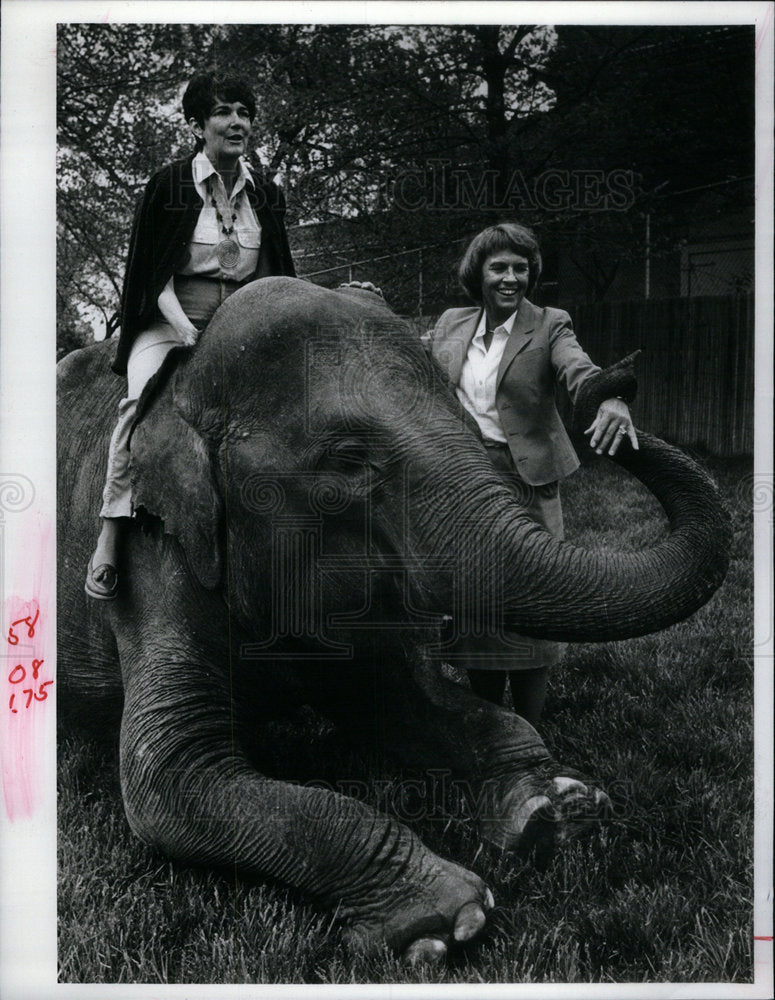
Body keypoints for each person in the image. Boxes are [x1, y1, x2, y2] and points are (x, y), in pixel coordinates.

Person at [85, 69, 296, 600]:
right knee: (139, 403)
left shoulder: (266, 193)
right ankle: (111, 531)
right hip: (169, 318)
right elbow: (150, 274)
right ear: (198, 124)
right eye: (224, 112)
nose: (236, 122)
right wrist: (186, 332)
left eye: (245, 113)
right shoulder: (170, 184)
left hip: (240, 327)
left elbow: (276, 275)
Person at [424, 222, 638, 726]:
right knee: (477, 601)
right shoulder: (452, 324)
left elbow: (577, 369)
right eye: (500, 267)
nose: (511, 278)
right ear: (478, 272)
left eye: (521, 268)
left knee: (533, 596)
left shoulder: (549, 323)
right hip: (466, 479)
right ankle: (494, 724)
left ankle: (533, 729)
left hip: (528, 478)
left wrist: (610, 395)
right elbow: (412, 363)